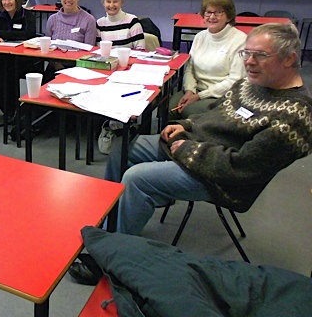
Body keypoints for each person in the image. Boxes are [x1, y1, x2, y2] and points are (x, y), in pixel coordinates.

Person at [69, 23, 312, 284]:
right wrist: (186, 125)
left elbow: (242, 168)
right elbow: (214, 115)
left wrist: (187, 149)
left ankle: (109, 260)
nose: (249, 62)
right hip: (192, 148)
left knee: (137, 178)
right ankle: (111, 224)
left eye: (260, 55)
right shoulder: (253, 82)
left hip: (220, 179)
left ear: (289, 59)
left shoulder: (296, 116)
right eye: (246, 53)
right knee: (122, 148)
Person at [169, 0, 246, 119]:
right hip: (196, 90)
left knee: (189, 110)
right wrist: (189, 90)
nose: (212, 17)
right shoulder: (200, 37)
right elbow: (190, 68)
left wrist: (200, 96)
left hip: (222, 95)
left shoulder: (240, 40)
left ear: (228, 17)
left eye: (218, 12)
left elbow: (235, 80)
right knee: (170, 107)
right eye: (208, 12)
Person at [43, 0, 96, 81]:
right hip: (55, 66)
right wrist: (58, 66)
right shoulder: (52, 19)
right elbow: (47, 49)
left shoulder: (89, 20)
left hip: (79, 68)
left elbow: (89, 52)